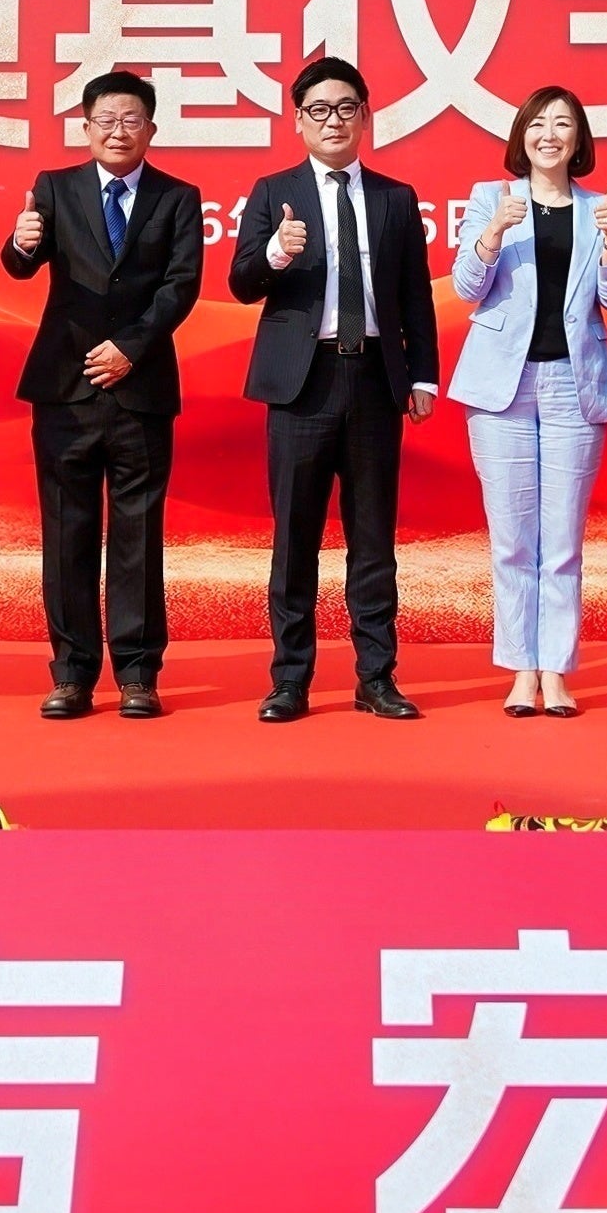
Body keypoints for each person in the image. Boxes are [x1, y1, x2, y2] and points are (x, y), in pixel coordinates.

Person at [230, 57, 440, 722]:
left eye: (347, 108)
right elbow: (241, 282)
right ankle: (290, 680)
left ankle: (376, 677)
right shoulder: (273, 192)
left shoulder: (395, 198)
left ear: (365, 117)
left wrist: (423, 375)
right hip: (303, 383)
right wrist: (277, 252)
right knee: (296, 539)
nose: (334, 121)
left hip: (375, 378)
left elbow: (415, 296)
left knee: (373, 540)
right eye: (319, 110)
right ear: (299, 120)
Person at [1, 71, 204, 720]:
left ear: (151, 128)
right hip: (65, 389)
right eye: (107, 121)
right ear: (86, 128)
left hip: (140, 388)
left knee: (138, 534)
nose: (119, 131)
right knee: (68, 532)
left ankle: (139, 673)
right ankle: (71, 673)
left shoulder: (178, 197)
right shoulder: (55, 188)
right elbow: (22, 262)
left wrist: (130, 349)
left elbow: (181, 286)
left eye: (131, 120)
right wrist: (19, 243)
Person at [448, 88, 607, 718]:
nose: (549, 134)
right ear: (521, 135)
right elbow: (468, 287)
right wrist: (494, 231)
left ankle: (555, 670)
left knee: (563, 540)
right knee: (512, 539)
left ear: (578, 140)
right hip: (503, 385)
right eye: (538, 123)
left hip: (573, 386)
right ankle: (521, 670)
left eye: (563, 124)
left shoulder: (603, 208)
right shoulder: (489, 199)